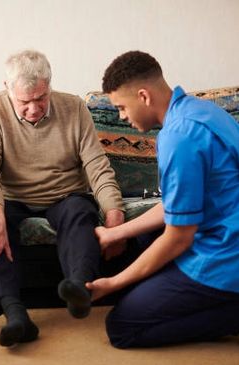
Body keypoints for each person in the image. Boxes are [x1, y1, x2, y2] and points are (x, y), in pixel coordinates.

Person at [0, 49, 125, 347]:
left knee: (80, 209)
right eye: (24, 102)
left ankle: (78, 288)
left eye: (41, 98)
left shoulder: (74, 107)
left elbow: (97, 167)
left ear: (50, 86)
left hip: (63, 194)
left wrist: (115, 215)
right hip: (11, 197)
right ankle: (16, 315)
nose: (34, 108)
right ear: (7, 89)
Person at [86, 50, 239, 348]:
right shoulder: (201, 110)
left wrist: (114, 284)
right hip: (224, 230)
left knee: (121, 327)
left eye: (121, 107)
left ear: (143, 96)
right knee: (143, 242)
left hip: (225, 254)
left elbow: (178, 237)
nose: (122, 117)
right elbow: (175, 204)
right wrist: (114, 232)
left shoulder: (179, 136)